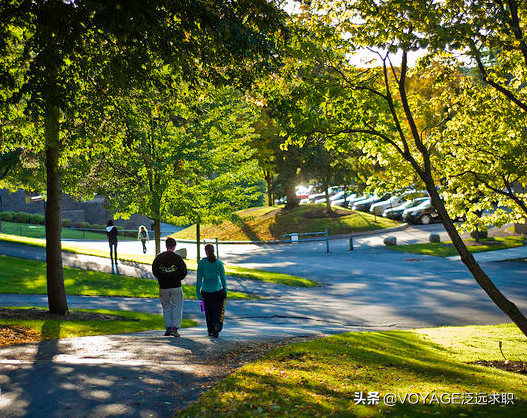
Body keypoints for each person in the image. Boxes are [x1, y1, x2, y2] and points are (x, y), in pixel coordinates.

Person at [152, 237, 187, 337]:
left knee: (166, 306)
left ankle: (168, 328)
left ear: (165, 245)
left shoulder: (159, 258)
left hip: (163, 286)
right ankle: (174, 328)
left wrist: (162, 279)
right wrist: (177, 278)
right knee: (177, 306)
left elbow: (155, 271)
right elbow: (184, 272)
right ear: (175, 246)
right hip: (176, 286)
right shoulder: (178, 258)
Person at [196, 243, 227, 338]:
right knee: (217, 310)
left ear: (205, 252)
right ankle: (216, 325)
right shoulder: (218, 263)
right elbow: (222, 278)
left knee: (208, 311)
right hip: (217, 290)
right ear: (213, 251)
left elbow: (199, 278)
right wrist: (225, 289)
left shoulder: (201, 263)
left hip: (205, 291)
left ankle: (210, 330)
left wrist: (198, 291)